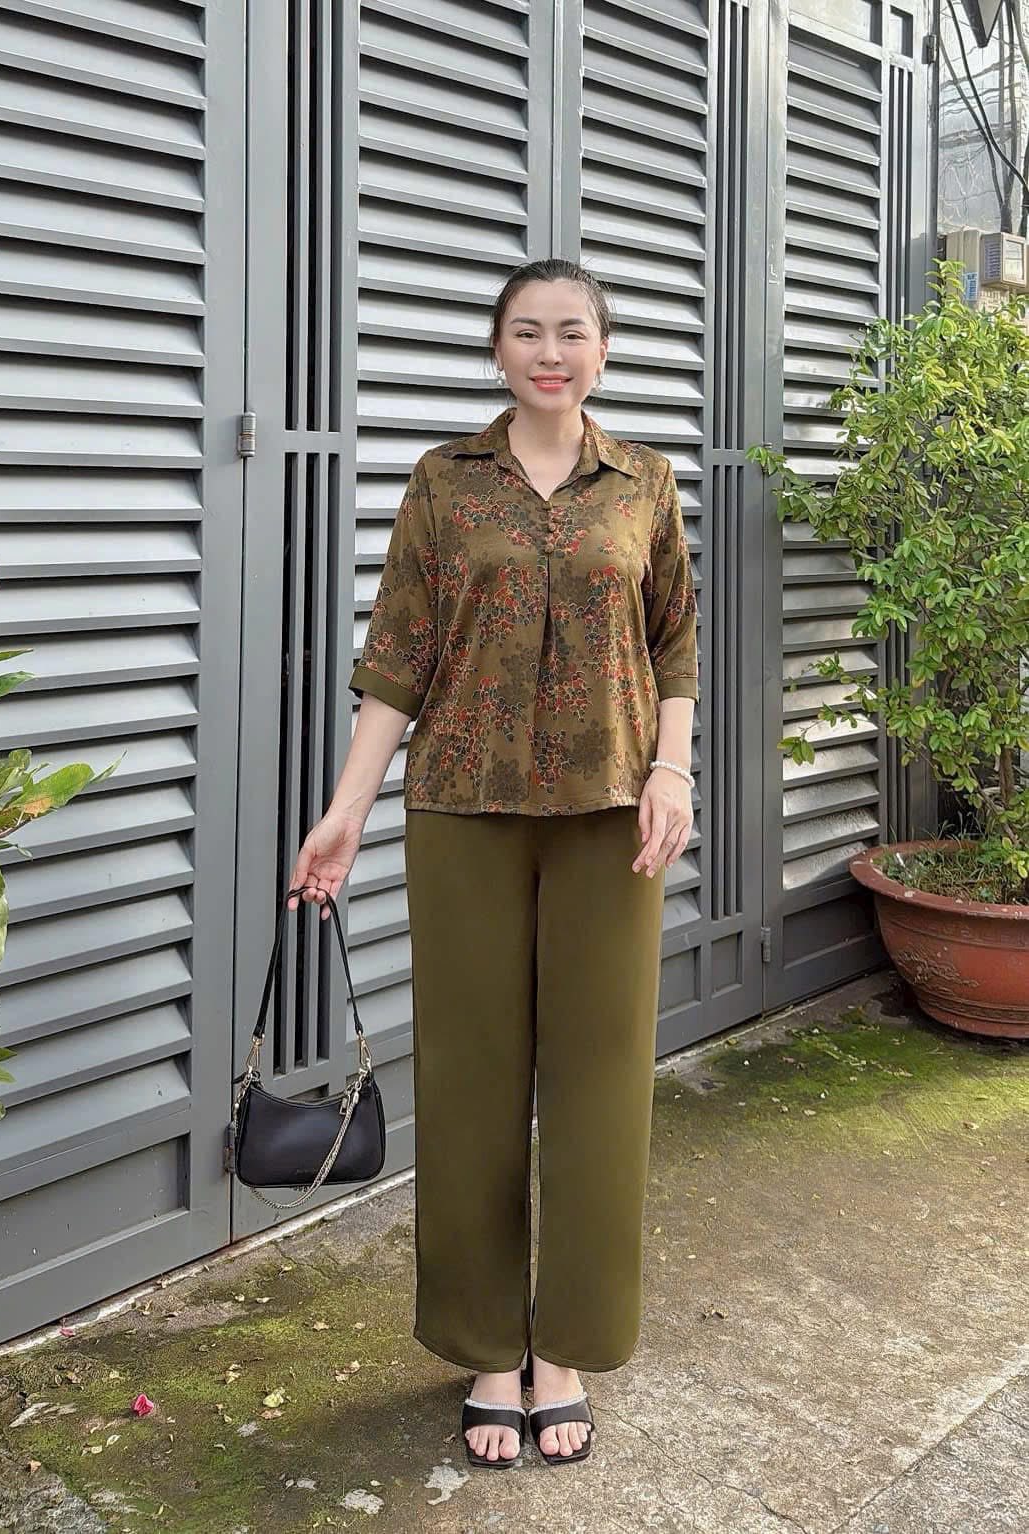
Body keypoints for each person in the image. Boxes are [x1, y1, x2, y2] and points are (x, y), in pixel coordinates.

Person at [289, 258, 699, 1469]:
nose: (550, 353)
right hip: (461, 809)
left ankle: (563, 1348)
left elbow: (674, 642)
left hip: (611, 814)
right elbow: (397, 659)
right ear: (497, 350)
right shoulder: (443, 483)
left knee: (600, 1082)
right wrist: (346, 809)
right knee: (470, 1080)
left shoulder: (646, 483)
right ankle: (483, 1347)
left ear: (603, 349)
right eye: (527, 332)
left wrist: (673, 772)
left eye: (572, 332)